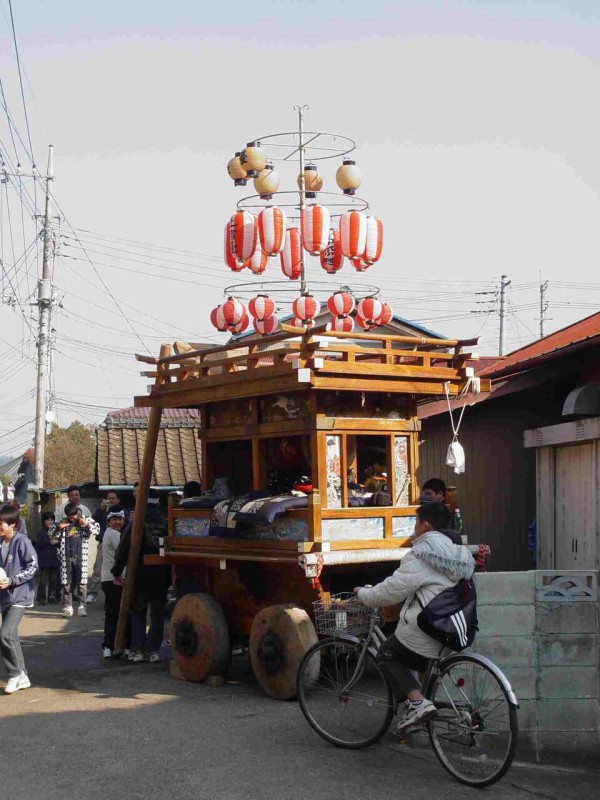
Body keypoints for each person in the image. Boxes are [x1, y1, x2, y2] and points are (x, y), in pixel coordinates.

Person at [354, 502, 475, 733]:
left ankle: (418, 704)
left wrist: (365, 594)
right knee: (410, 656)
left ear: (426, 525)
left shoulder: (421, 553)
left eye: (416, 522)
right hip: (454, 629)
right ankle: (418, 706)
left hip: (429, 630)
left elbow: (393, 589)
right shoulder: (459, 552)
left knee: (387, 654)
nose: (414, 528)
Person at [112, 489, 169, 663]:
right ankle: (153, 650)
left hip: (140, 573)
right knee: (157, 612)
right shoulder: (165, 521)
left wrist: (116, 570)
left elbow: (123, 548)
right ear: (157, 503)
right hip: (161, 574)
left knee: (138, 611)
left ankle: (137, 649)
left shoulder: (136, 522)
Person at [0, 503, 38, 694]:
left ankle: (15, 674)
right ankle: (22, 674)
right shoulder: (0, 543)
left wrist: (12, 580)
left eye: (2, 524)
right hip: (5, 597)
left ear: (13, 524)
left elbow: (32, 567)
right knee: (12, 637)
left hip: (20, 597)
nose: (0, 527)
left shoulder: (22, 541)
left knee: (5, 634)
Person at [50, 503, 99, 618]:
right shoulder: (62, 521)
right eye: (70, 517)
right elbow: (50, 534)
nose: (72, 519)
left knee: (82, 582)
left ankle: (82, 606)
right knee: (66, 582)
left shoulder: (86, 520)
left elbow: (97, 530)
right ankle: (67, 607)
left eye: (73, 516)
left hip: (81, 556)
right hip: (65, 557)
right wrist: (58, 528)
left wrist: (86, 524)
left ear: (77, 512)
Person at [87, 491, 129, 602]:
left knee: (120, 566)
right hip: (103, 543)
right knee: (99, 568)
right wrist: (101, 509)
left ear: (118, 500)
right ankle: (93, 592)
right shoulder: (103, 511)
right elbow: (92, 521)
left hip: (120, 542)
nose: (110, 501)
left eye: (113, 498)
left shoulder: (122, 512)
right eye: (108, 498)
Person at [101, 510, 128, 658]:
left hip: (108, 578)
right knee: (117, 614)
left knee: (112, 613)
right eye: (114, 519)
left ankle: (108, 646)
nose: (118, 522)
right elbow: (124, 553)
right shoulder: (114, 534)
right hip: (114, 579)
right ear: (108, 522)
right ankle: (111, 645)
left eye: (120, 519)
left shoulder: (109, 533)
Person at [35, 511, 60, 604]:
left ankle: (52, 597)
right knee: (43, 580)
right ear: (43, 521)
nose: (50, 522)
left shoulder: (57, 531)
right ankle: (41, 598)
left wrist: (57, 541)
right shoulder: (41, 532)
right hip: (44, 559)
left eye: (51, 519)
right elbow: (39, 545)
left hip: (54, 559)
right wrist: (49, 540)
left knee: (53, 580)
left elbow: (62, 543)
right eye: (48, 520)